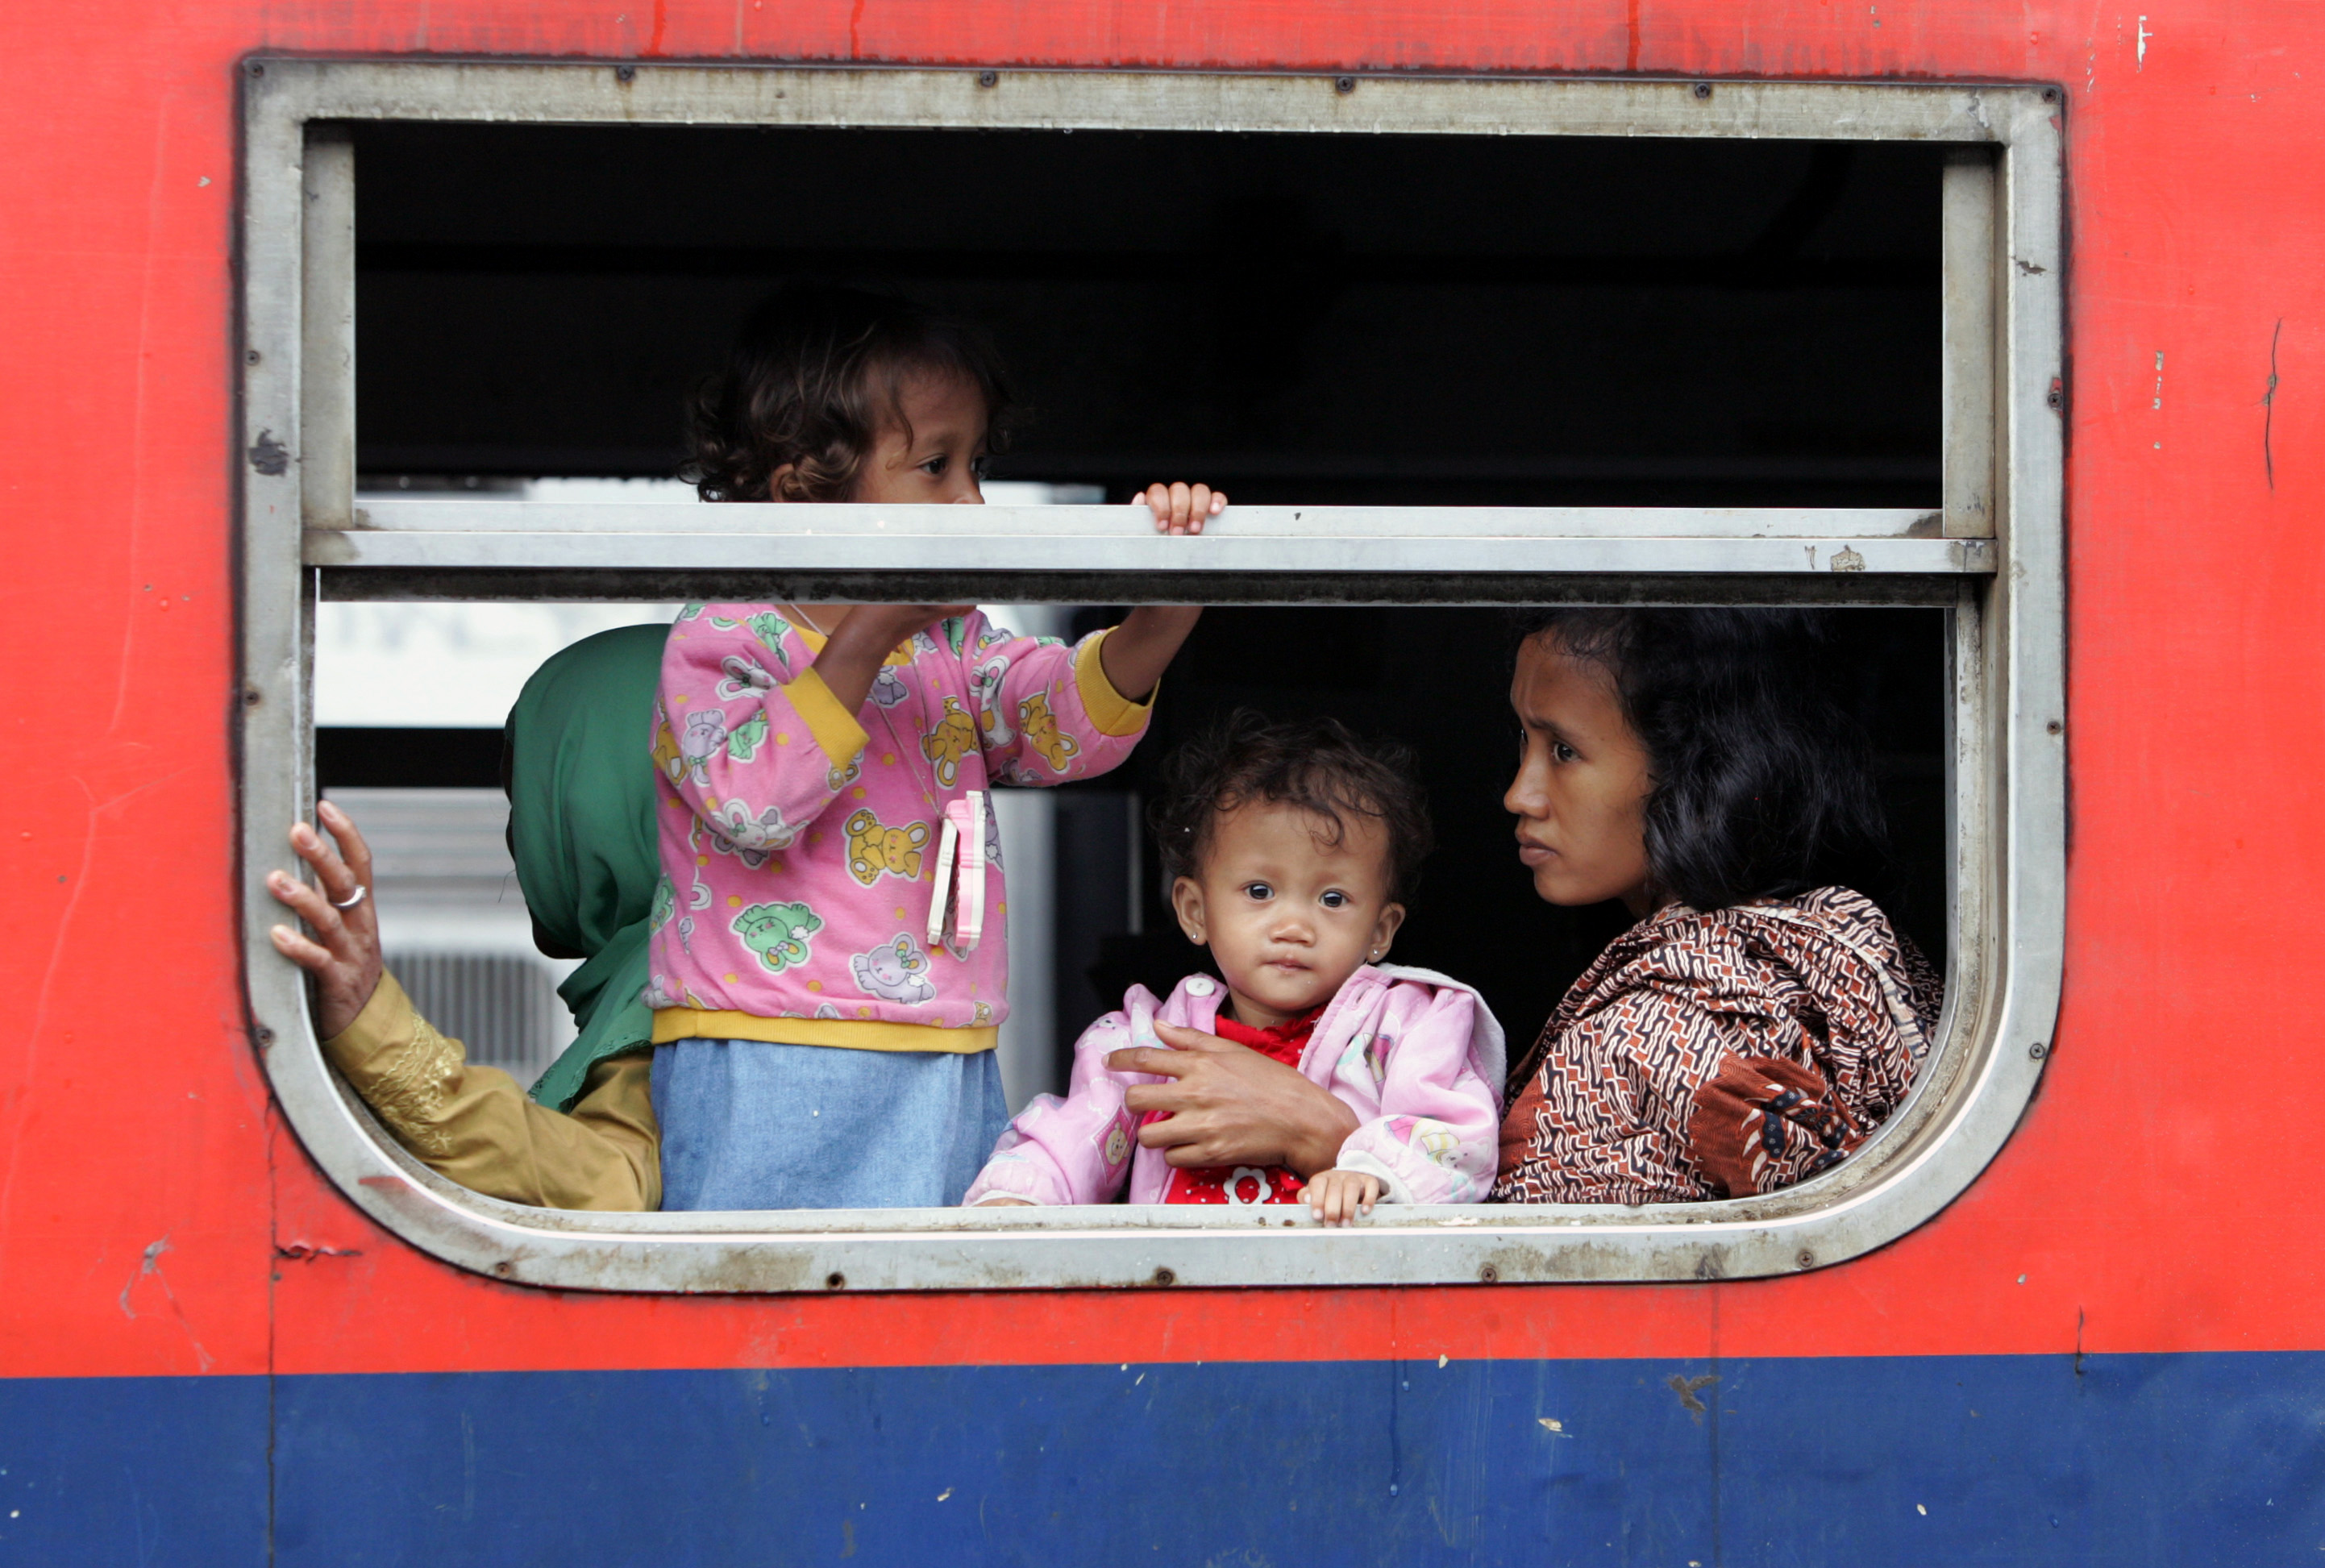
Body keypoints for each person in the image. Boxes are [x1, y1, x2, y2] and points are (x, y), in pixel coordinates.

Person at [647, 284, 1224, 1210]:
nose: (974, 501)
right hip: (757, 1040)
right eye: (936, 466)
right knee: (762, 1325)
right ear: (808, 492)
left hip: (940, 1045)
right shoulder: (723, 637)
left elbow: (1062, 729)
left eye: (977, 466)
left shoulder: (953, 646)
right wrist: (869, 631)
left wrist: (1165, 603)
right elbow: (751, 802)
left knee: (920, 1321)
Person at [965, 713, 1504, 1224]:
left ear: (1381, 929)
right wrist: (1017, 1199)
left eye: (1333, 898)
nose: (1294, 925)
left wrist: (1371, 1173)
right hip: (1175, 1299)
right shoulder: (1148, 1043)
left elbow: (1460, 1143)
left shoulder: (1410, 1026)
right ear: (1195, 911)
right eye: (1260, 891)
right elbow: (1073, 1137)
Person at [1491, 608, 1943, 1205]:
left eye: (1565, 750)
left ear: (1692, 768)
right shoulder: (1841, 950)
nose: (1518, 793)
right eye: (1526, 737)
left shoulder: (1649, 1039)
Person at [263, 624, 671, 1210]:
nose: (515, 839)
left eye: (528, 800)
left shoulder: (690, 985)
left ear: (594, 804)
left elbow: (611, 1188)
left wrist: (372, 1023)